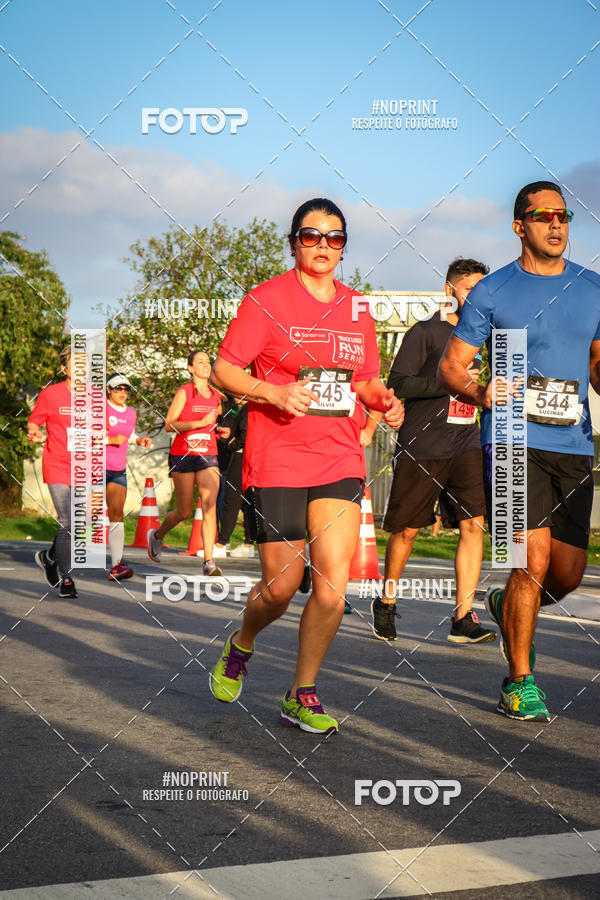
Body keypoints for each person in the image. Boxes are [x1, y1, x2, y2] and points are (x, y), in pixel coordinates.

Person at [208, 197, 404, 735]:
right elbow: (225, 370)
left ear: (343, 247)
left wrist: (384, 399)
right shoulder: (265, 299)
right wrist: (273, 391)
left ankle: (303, 692)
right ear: (294, 241)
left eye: (335, 238)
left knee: (332, 586)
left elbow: (363, 379)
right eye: (312, 236)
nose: (323, 246)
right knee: (279, 586)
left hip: (338, 455)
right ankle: (242, 642)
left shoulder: (358, 307)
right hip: (277, 459)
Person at [438, 180, 600, 721]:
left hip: (572, 441)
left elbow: (597, 363)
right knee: (531, 560)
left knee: (568, 573)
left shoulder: (592, 288)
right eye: (544, 215)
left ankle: (509, 607)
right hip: (509, 437)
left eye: (564, 216)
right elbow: (451, 366)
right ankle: (519, 681)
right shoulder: (494, 291)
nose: (557, 224)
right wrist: (482, 391)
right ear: (520, 226)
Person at [375, 259, 497, 646]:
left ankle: (462, 616)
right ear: (450, 290)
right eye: (470, 288)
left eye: (484, 289)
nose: (477, 297)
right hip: (423, 443)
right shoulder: (426, 331)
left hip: (466, 442)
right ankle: (387, 603)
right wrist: (451, 383)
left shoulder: (481, 336)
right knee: (408, 530)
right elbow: (398, 383)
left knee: (472, 525)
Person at [147, 350, 226, 576]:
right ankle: (157, 536)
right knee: (183, 512)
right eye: (199, 362)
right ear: (190, 368)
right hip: (183, 455)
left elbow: (212, 424)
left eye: (208, 362)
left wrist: (218, 430)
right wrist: (199, 423)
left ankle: (208, 562)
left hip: (208, 455)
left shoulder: (215, 396)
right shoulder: (184, 392)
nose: (205, 365)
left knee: (209, 506)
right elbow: (170, 425)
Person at [28, 346, 79, 598]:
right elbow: (35, 420)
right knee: (67, 520)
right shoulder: (51, 393)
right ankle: (66, 577)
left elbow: (103, 428)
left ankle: (49, 557)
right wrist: (33, 431)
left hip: (82, 466)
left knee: (80, 522)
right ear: (64, 369)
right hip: (56, 463)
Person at [105, 373, 152, 581]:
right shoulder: (100, 409)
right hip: (95, 467)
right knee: (84, 516)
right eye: (118, 389)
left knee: (116, 513)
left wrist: (139, 440)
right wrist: (109, 439)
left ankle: (116, 565)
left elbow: (129, 434)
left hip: (117, 468)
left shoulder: (131, 413)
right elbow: (85, 434)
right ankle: (60, 558)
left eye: (126, 389)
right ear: (108, 389)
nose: (122, 393)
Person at [213, 400, 255, 558]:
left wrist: (230, 444)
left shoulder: (248, 407)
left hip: (241, 457)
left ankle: (221, 544)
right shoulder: (262, 406)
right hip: (258, 458)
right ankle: (248, 544)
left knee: (231, 501)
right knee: (249, 502)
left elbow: (244, 435)